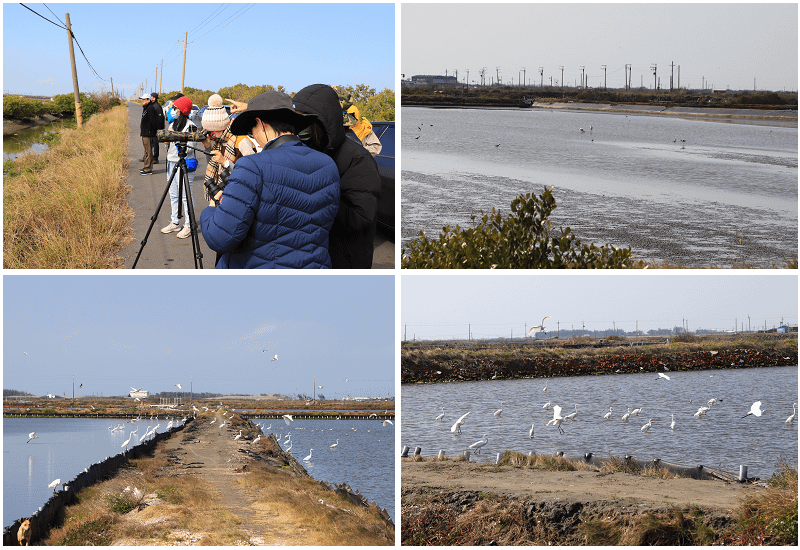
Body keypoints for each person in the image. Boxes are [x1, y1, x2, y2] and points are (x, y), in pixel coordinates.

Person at [200, 91, 340, 269]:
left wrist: (211, 210)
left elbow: (219, 237)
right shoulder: (327, 164)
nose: (253, 135)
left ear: (261, 124)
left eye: (252, 129)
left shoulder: (252, 166)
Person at [293, 84, 381, 269]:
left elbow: (361, 216)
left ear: (324, 121)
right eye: (297, 118)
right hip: (311, 257)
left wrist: (314, 194)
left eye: (304, 120)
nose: (299, 127)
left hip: (343, 260)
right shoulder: (307, 151)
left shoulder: (357, 160)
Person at [160, 96, 199, 239]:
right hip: (171, 162)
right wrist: (167, 139)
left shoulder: (191, 126)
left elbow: (190, 148)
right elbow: (166, 139)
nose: (173, 110)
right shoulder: (174, 123)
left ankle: (189, 225)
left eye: (175, 108)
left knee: (186, 196)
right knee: (174, 194)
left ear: (182, 110)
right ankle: (175, 222)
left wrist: (176, 140)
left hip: (184, 164)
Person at [139, 93, 159, 175]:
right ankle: (146, 166)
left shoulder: (150, 108)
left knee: (149, 151)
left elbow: (153, 122)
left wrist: (150, 132)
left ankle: (148, 169)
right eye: (142, 99)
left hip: (148, 134)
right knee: (146, 151)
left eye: (144, 99)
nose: (143, 101)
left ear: (148, 100)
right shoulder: (146, 108)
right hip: (145, 133)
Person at [150, 92, 164, 163]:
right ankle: (147, 157)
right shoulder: (152, 105)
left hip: (156, 128)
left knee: (155, 143)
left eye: (152, 97)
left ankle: (155, 158)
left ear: (155, 98)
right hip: (151, 128)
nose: (151, 98)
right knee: (150, 143)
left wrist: (159, 128)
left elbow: (160, 118)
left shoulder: (157, 106)